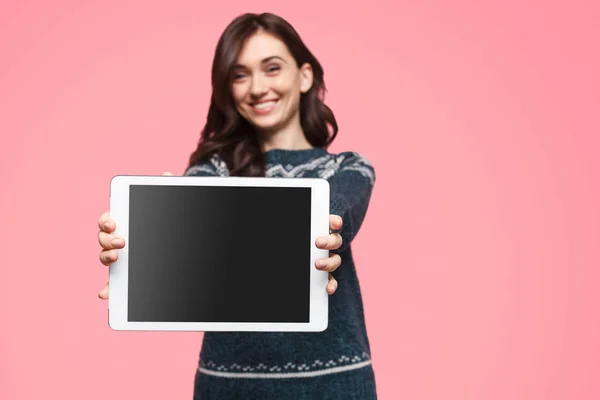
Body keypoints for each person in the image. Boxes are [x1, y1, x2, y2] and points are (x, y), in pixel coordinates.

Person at [96, 12, 377, 399]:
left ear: (305, 75)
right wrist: (142, 248)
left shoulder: (347, 168)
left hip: (336, 384)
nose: (257, 87)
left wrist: (325, 230)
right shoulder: (211, 171)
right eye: (240, 74)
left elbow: (337, 208)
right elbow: (188, 250)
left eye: (272, 68)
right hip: (227, 386)